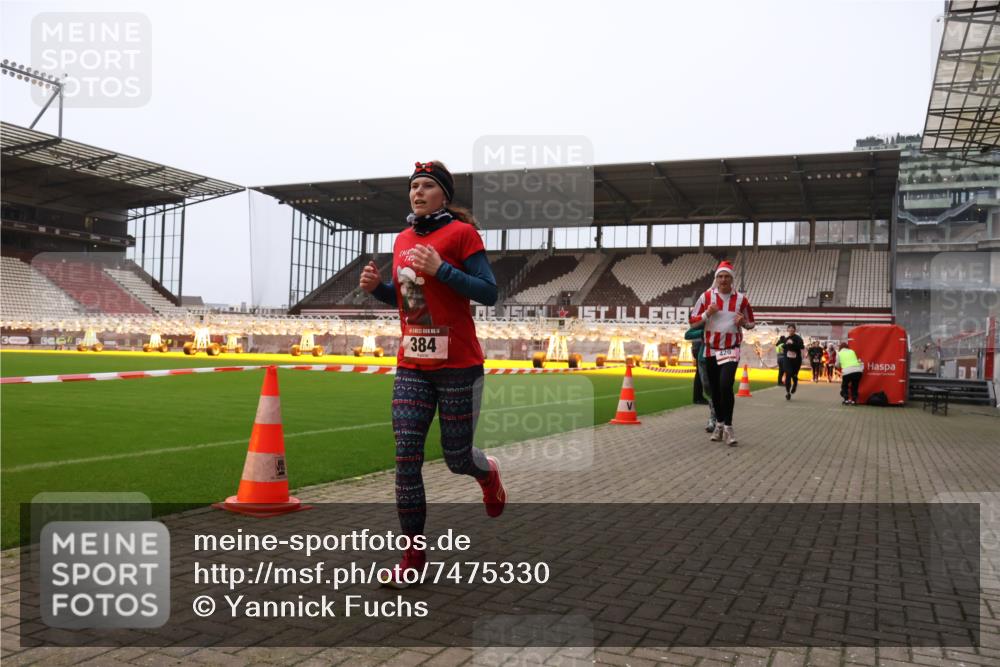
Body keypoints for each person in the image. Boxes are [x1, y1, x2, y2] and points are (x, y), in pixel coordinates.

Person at [360, 160, 507, 588]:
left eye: (426, 186)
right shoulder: (402, 239)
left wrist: (441, 268)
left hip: (459, 365)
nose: (417, 192)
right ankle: (413, 556)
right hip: (413, 365)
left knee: (457, 458)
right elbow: (408, 298)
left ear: (444, 194)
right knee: (406, 456)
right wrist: (378, 289)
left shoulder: (462, 234)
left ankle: (486, 472)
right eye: (413, 186)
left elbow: (489, 292)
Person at [689, 260, 755, 446]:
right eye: (720, 276)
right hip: (711, 350)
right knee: (715, 390)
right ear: (716, 279)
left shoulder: (741, 300)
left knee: (726, 386)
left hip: (731, 349)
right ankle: (718, 424)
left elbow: (751, 323)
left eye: (727, 276)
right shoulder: (706, 297)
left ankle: (728, 427)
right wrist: (706, 314)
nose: (723, 279)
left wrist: (743, 323)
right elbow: (692, 323)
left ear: (732, 279)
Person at [685, 323, 716, 433]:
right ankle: (715, 415)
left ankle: (714, 418)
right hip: (703, 359)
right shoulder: (704, 320)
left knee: (718, 389)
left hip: (720, 358)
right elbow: (688, 334)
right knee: (707, 388)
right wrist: (702, 332)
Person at [781, 323, 805, 400]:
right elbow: (783, 347)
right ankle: (788, 393)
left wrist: (793, 344)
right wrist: (784, 345)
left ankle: (795, 384)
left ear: (795, 330)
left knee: (794, 375)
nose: (791, 329)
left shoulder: (798, 338)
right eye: (789, 328)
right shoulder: (786, 339)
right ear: (787, 329)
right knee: (788, 374)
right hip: (787, 359)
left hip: (796, 360)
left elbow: (801, 347)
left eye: (792, 328)